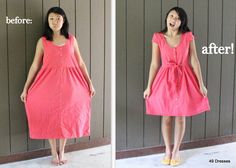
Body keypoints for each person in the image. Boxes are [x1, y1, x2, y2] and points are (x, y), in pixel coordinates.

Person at [20, 7, 95, 166]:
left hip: (71, 85)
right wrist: (26, 88)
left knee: (67, 116)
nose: (55, 22)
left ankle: (62, 151)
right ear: (48, 22)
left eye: (58, 18)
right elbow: (35, 66)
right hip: (47, 85)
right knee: (50, 117)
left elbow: (80, 63)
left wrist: (90, 83)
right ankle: (54, 152)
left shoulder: (71, 40)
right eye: (51, 19)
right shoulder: (43, 41)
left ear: (64, 20)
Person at [144, 7, 210, 166]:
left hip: (184, 79)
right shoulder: (158, 37)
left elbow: (194, 60)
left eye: (177, 18)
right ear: (167, 18)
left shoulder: (188, 36)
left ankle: (176, 151)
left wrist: (201, 84)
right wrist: (149, 86)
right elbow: (154, 64)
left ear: (182, 22)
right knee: (166, 116)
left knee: (180, 116)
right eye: (171, 15)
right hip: (164, 80)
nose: (173, 19)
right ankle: (167, 149)